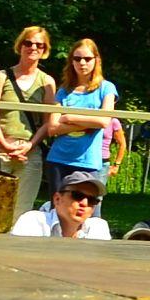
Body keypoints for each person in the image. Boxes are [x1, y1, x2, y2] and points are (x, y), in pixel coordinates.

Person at [0, 26, 57, 225]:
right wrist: (4, 144)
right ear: (20, 45)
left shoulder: (47, 82)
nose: (33, 47)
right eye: (28, 43)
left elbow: (48, 123)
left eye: (39, 45)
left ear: (45, 50)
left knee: (21, 215)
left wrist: (29, 145)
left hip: (29, 154)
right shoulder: (2, 76)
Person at [45, 39, 117, 196]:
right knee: (57, 208)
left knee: (86, 208)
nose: (82, 63)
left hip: (88, 162)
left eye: (87, 58)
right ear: (71, 61)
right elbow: (52, 128)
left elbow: (103, 121)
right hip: (58, 160)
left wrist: (68, 117)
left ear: (96, 60)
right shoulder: (63, 91)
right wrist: (89, 123)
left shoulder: (106, 88)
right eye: (77, 58)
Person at [10, 171, 111, 239]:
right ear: (57, 199)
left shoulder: (98, 227)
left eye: (92, 200)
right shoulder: (34, 221)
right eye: (77, 195)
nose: (84, 203)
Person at [100, 117, 127, 189]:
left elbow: (122, 144)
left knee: (97, 193)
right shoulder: (90, 117)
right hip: (85, 160)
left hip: (102, 162)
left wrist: (116, 165)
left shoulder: (113, 121)